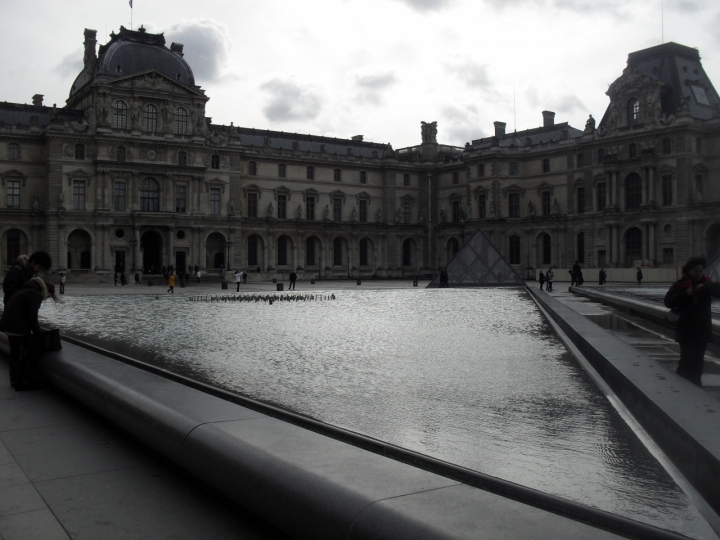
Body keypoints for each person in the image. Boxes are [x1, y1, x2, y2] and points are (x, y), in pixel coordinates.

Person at [664, 256, 720, 387]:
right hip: (686, 329)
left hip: (702, 329)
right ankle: (682, 384)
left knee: (699, 360)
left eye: (700, 271)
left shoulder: (707, 284)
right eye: (696, 271)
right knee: (687, 358)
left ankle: (696, 384)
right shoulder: (680, 285)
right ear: (688, 272)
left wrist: (706, 288)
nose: (699, 274)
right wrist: (684, 294)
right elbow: (668, 301)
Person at [0, 277, 60, 390]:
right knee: (31, 348)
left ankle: (15, 381)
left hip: (9, 324)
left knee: (15, 353)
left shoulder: (27, 290)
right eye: (49, 296)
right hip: (16, 326)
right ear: (47, 291)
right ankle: (25, 379)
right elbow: (32, 316)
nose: (46, 299)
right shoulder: (35, 294)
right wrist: (38, 332)